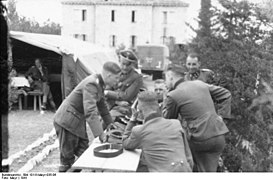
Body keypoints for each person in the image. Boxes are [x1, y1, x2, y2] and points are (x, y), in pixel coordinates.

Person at [53, 61, 121, 172]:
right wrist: (100, 134)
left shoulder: (99, 83)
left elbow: (102, 106)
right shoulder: (92, 84)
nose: (117, 81)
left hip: (76, 121)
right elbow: (90, 111)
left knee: (85, 155)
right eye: (116, 78)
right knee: (67, 160)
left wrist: (111, 124)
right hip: (67, 121)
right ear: (109, 75)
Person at [162, 64, 231, 172]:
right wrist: (222, 117)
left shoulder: (173, 95)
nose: (165, 82)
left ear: (171, 77)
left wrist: (165, 99)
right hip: (218, 135)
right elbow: (226, 94)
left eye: (165, 78)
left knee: (187, 165)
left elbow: (168, 121)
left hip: (200, 138)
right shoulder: (200, 84)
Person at [122, 91, 193, 172]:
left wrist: (132, 119)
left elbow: (125, 143)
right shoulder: (176, 124)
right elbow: (189, 157)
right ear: (160, 107)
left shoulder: (139, 131)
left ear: (139, 112)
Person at [104, 49, 144, 118]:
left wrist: (108, 93)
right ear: (119, 61)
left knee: (108, 119)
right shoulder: (115, 72)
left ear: (132, 64)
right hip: (111, 104)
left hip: (126, 108)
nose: (125, 67)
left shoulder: (137, 78)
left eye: (128, 65)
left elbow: (127, 96)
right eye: (123, 64)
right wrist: (116, 102)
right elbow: (104, 90)